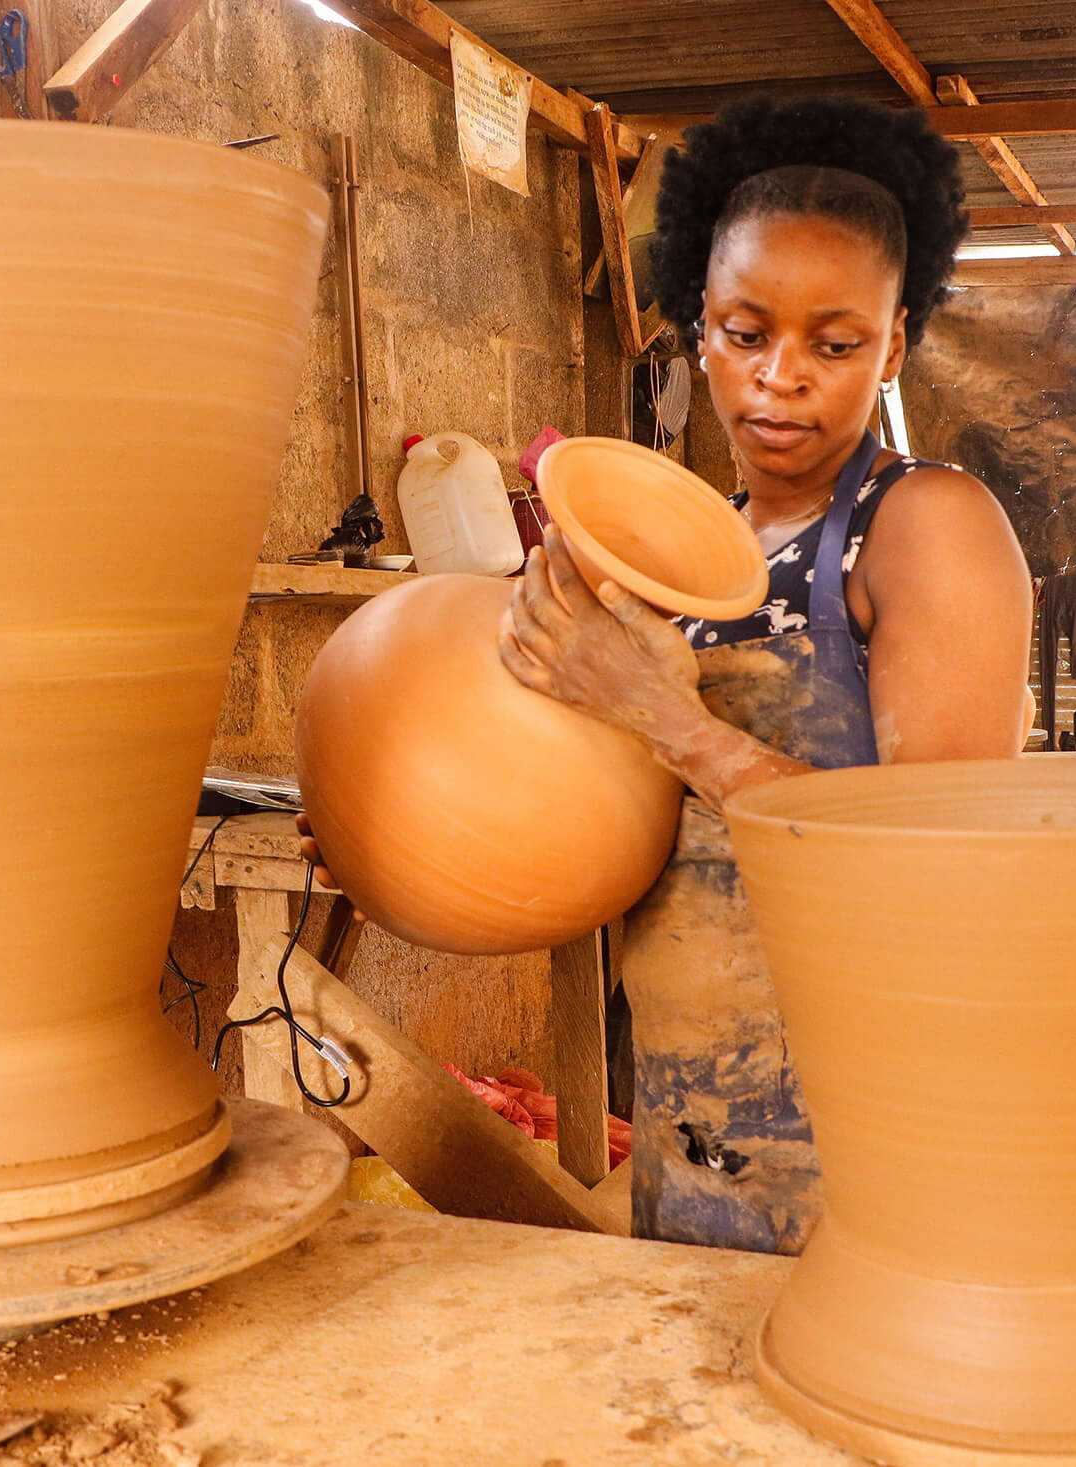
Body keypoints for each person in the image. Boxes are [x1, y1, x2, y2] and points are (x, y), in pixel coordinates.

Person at [303, 95, 1033, 1252]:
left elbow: (934, 859)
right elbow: (614, 826)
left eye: (835, 344)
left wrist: (663, 716)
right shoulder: (694, 554)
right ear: (701, 329)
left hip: (875, 1123)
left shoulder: (924, 525)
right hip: (695, 1118)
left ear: (893, 344)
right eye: (746, 333)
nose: (781, 377)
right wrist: (394, 819)